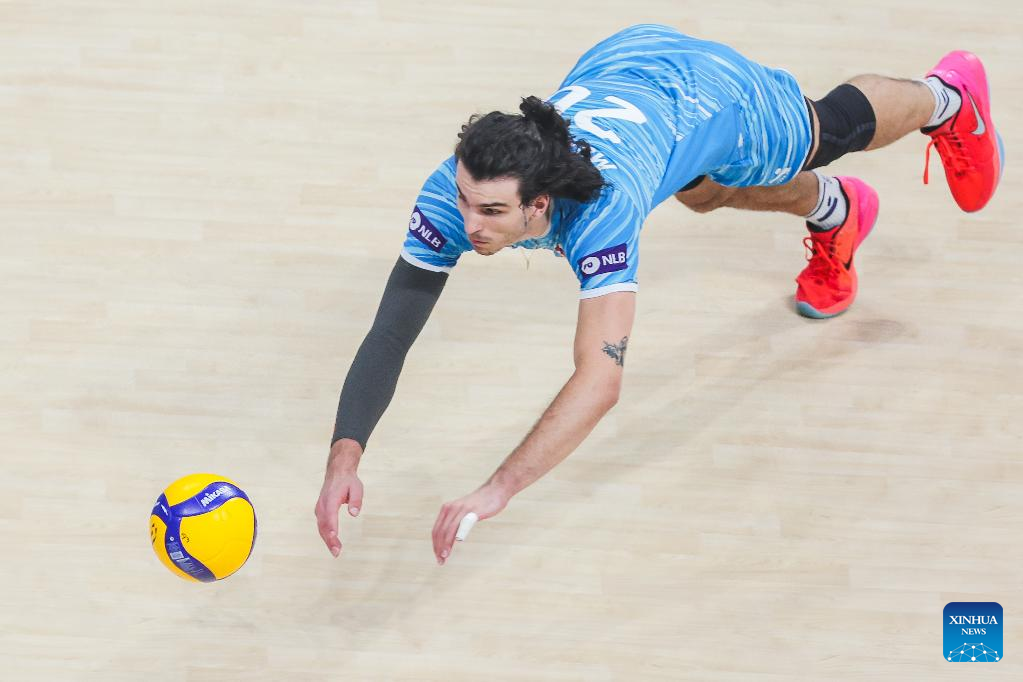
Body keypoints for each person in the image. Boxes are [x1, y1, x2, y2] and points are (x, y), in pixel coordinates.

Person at [314, 24, 1004, 565]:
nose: (467, 225)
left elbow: (600, 380)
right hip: (622, 63)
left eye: (491, 212)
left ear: (540, 203)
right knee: (702, 192)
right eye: (465, 200)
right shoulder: (455, 191)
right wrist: (345, 456)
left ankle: (947, 96)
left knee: (824, 132)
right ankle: (836, 211)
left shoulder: (602, 213)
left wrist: (499, 488)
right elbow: (391, 330)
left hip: (709, 97)